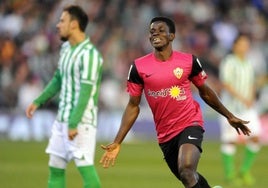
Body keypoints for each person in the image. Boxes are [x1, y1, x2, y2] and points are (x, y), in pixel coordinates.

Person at [99, 16, 251, 188]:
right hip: (165, 135)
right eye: (152, 31)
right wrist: (118, 141)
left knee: (186, 170)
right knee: (188, 176)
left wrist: (229, 116)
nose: (155, 34)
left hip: (190, 123)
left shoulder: (189, 61)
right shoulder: (138, 67)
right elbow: (133, 106)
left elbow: (205, 92)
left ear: (172, 36)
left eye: (161, 30)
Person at [26, 5, 103, 188]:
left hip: (81, 122)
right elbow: (58, 79)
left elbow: (85, 92)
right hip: (62, 120)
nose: (58, 25)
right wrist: (38, 101)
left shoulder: (90, 55)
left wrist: (74, 123)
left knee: (85, 169)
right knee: (55, 167)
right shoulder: (66, 49)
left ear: (74, 24)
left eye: (62, 21)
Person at [219, 33, 261, 186]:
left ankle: (244, 170)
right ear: (234, 46)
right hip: (230, 108)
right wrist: (242, 98)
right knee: (230, 141)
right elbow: (226, 84)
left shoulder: (248, 63)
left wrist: (250, 97)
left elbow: (251, 83)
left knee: (256, 137)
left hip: (248, 107)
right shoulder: (229, 62)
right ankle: (230, 174)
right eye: (242, 44)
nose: (245, 47)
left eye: (246, 44)